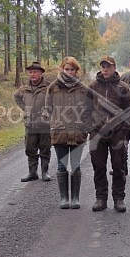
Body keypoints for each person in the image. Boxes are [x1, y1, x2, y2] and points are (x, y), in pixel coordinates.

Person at [86, 55, 130, 212]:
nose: (105, 69)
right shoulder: (93, 87)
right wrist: (91, 128)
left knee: (118, 167)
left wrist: (123, 130)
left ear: (114, 68)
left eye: (108, 66)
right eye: (103, 66)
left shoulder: (123, 87)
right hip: (97, 134)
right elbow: (84, 110)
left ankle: (119, 199)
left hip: (117, 134)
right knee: (99, 167)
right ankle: (101, 198)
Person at [46, 57, 91, 209]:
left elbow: (88, 111)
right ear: (62, 69)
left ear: (76, 71)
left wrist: (85, 127)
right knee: (61, 165)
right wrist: (54, 124)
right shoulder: (53, 87)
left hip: (78, 132)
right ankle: (64, 198)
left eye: (72, 69)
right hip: (60, 133)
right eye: (67, 69)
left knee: (76, 165)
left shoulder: (83, 89)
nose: (70, 72)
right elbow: (48, 109)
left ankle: (75, 198)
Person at [14, 61, 52, 182]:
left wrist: (49, 111)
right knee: (30, 149)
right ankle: (32, 172)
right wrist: (25, 109)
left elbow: (56, 101)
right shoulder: (24, 87)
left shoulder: (48, 87)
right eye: (30, 72)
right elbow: (16, 97)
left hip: (44, 124)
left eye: (35, 72)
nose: (32, 74)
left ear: (41, 73)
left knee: (45, 149)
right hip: (30, 123)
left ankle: (45, 172)